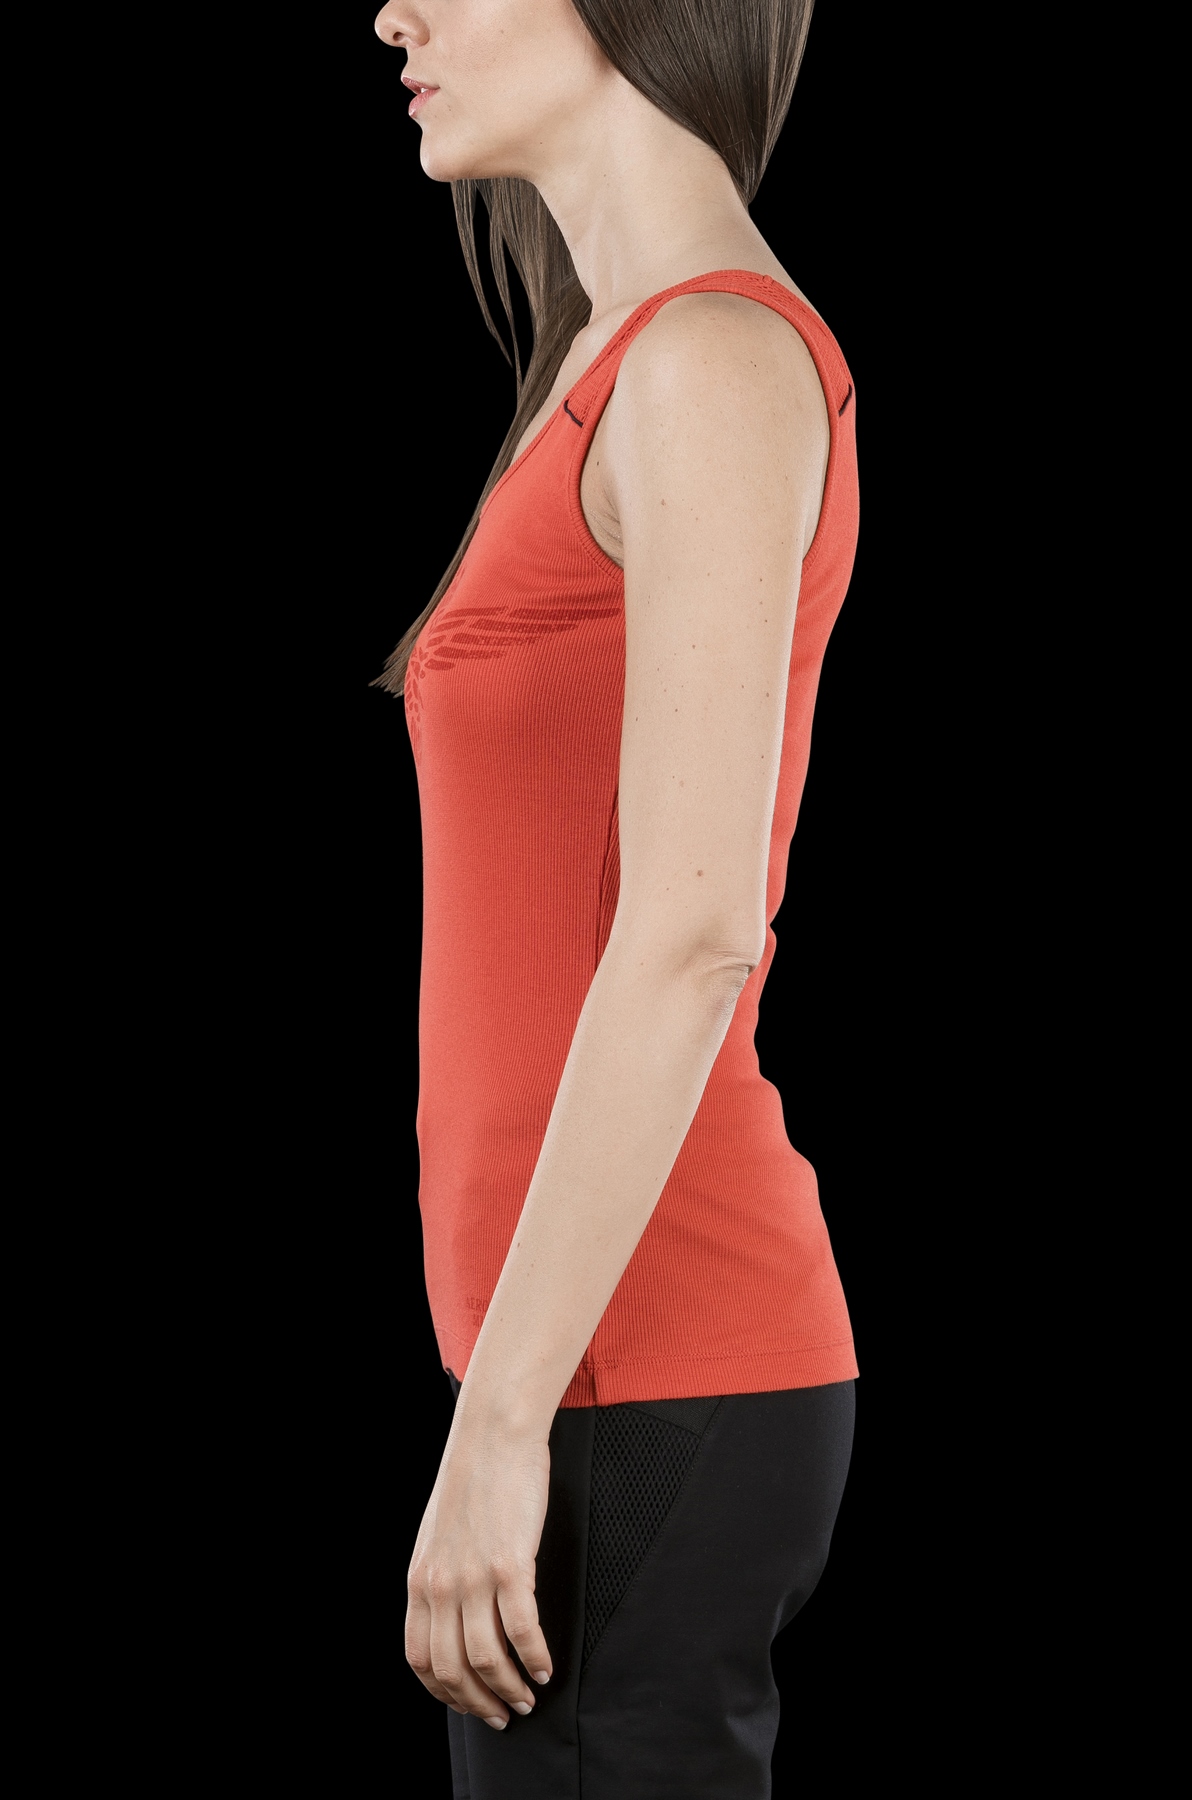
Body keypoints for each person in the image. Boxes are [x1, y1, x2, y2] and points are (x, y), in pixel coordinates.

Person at [372, 3, 859, 1793]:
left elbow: (693, 930)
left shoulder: (709, 358)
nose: (397, 9)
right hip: (590, 1370)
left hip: (640, 1374)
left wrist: (504, 1423)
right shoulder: (622, 356)